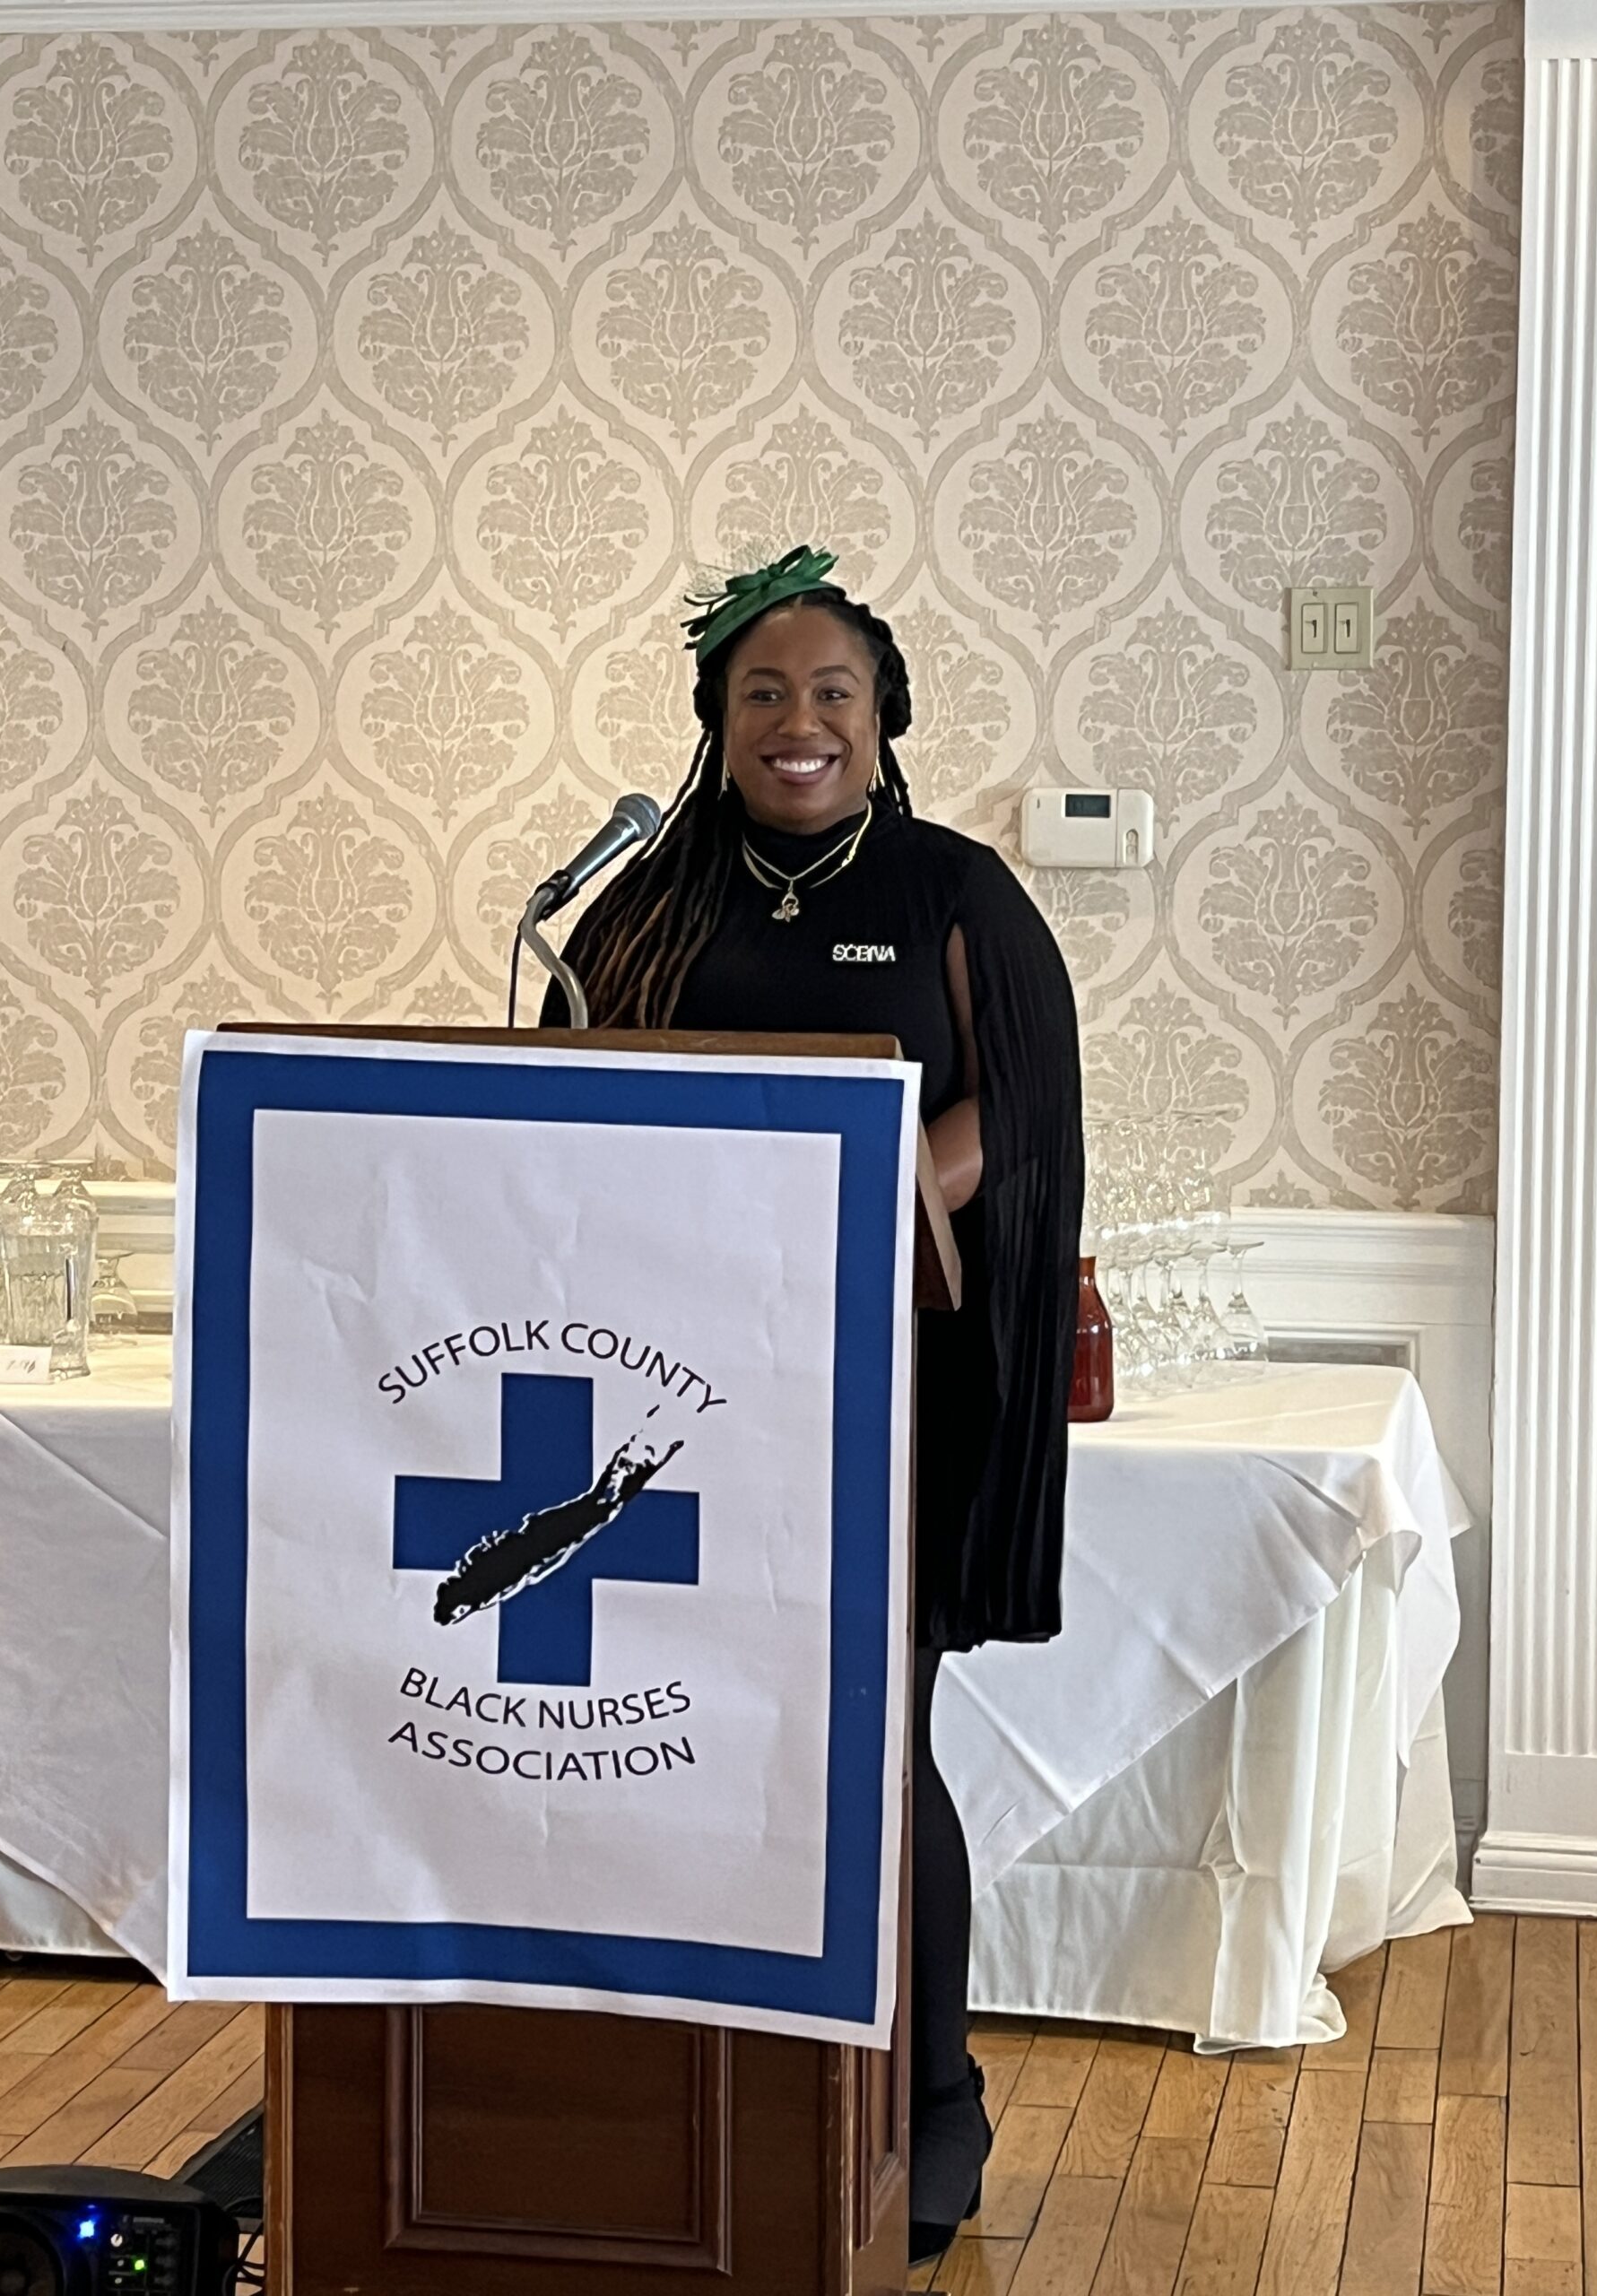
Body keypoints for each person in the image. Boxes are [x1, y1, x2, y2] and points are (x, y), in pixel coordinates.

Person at [542, 544, 1084, 2266]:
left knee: (872, 1745)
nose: (799, 722)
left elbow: (1026, 1109)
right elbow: (564, 1106)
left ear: (883, 715)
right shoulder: (642, 904)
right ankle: (708, 2088)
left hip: (882, 1394)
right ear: (716, 717)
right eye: (762, 691)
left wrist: (870, 1189)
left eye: (832, 692)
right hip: (672, 1404)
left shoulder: (953, 891)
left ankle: (933, 2107)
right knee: (680, 1733)